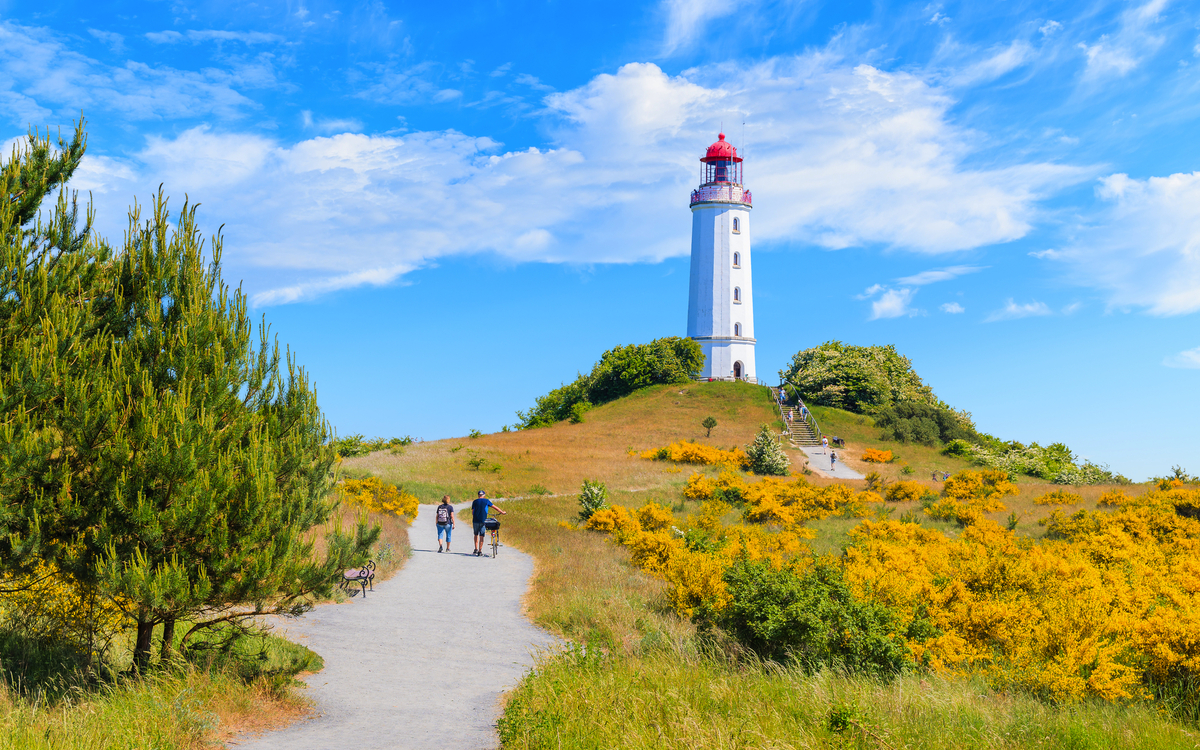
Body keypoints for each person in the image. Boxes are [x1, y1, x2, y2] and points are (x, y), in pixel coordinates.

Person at [471, 489, 506, 557]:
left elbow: (473, 512)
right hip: (483, 520)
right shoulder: (486, 501)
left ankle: (475, 549)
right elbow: (494, 507)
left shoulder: (474, 501)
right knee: (482, 535)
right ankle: (480, 551)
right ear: (484, 495)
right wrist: (502, 512)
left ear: (478, 495)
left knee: (476, 534)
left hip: (475, 520)